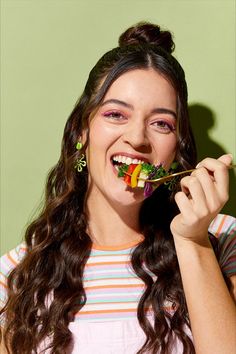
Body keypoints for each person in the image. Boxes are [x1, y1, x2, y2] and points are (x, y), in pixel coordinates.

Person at [0, 22, 236, 354]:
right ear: (83, 132)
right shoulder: (17, 276)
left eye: (161, 123)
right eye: (115, 114)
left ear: (175, 149)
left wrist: (193, 241)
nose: (138, 138)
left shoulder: (222, 241)